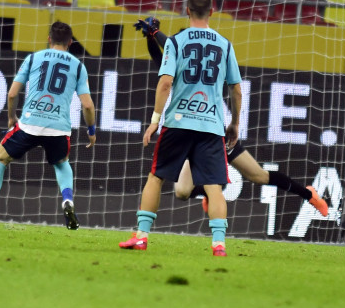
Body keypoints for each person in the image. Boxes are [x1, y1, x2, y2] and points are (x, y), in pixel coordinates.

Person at [133, 16, 328, 216]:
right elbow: (161, 54)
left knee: (258, 175)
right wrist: (150, 36)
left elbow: (170, 45)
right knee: (182, 192)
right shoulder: (174, 63)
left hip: (212, 134)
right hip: (189, 133)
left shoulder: (206, 61)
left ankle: (308, 194)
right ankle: (210, 194)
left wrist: (156, 33)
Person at [119, 0, 242, 257]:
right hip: (210, 124)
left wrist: (154, 120)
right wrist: (234, 122)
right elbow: (236, 89)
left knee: (156, 177)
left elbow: (165, 82)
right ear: (212, 12)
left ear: (186, 10)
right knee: (213, 187)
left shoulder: (176, 42)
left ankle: (141, 237)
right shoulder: (225, 44)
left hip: (178, 121)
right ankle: (219, 244)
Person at [0, 21, 96, 229]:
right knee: (61, 162)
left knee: (0, 159)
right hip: (58, 128)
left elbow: (12, 93)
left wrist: (12, 117)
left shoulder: (33, 58)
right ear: (70, 42)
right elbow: (87, 105)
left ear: (49, 38)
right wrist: (91, 130)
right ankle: (67, 199)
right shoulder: (78, 66)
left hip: (29, 124)